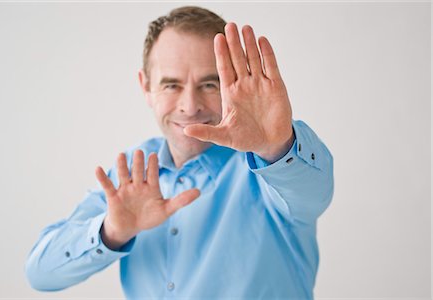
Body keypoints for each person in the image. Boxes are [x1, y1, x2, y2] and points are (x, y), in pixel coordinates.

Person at [25, 6, 334, 299]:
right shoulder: (130, 175)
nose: (190, 106)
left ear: (234, 84)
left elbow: (313, 193)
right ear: (145, 87)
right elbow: (40, 273)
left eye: (210, 84)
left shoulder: (271, 165)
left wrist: (275, 146)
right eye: (171, 85)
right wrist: (112, 231)